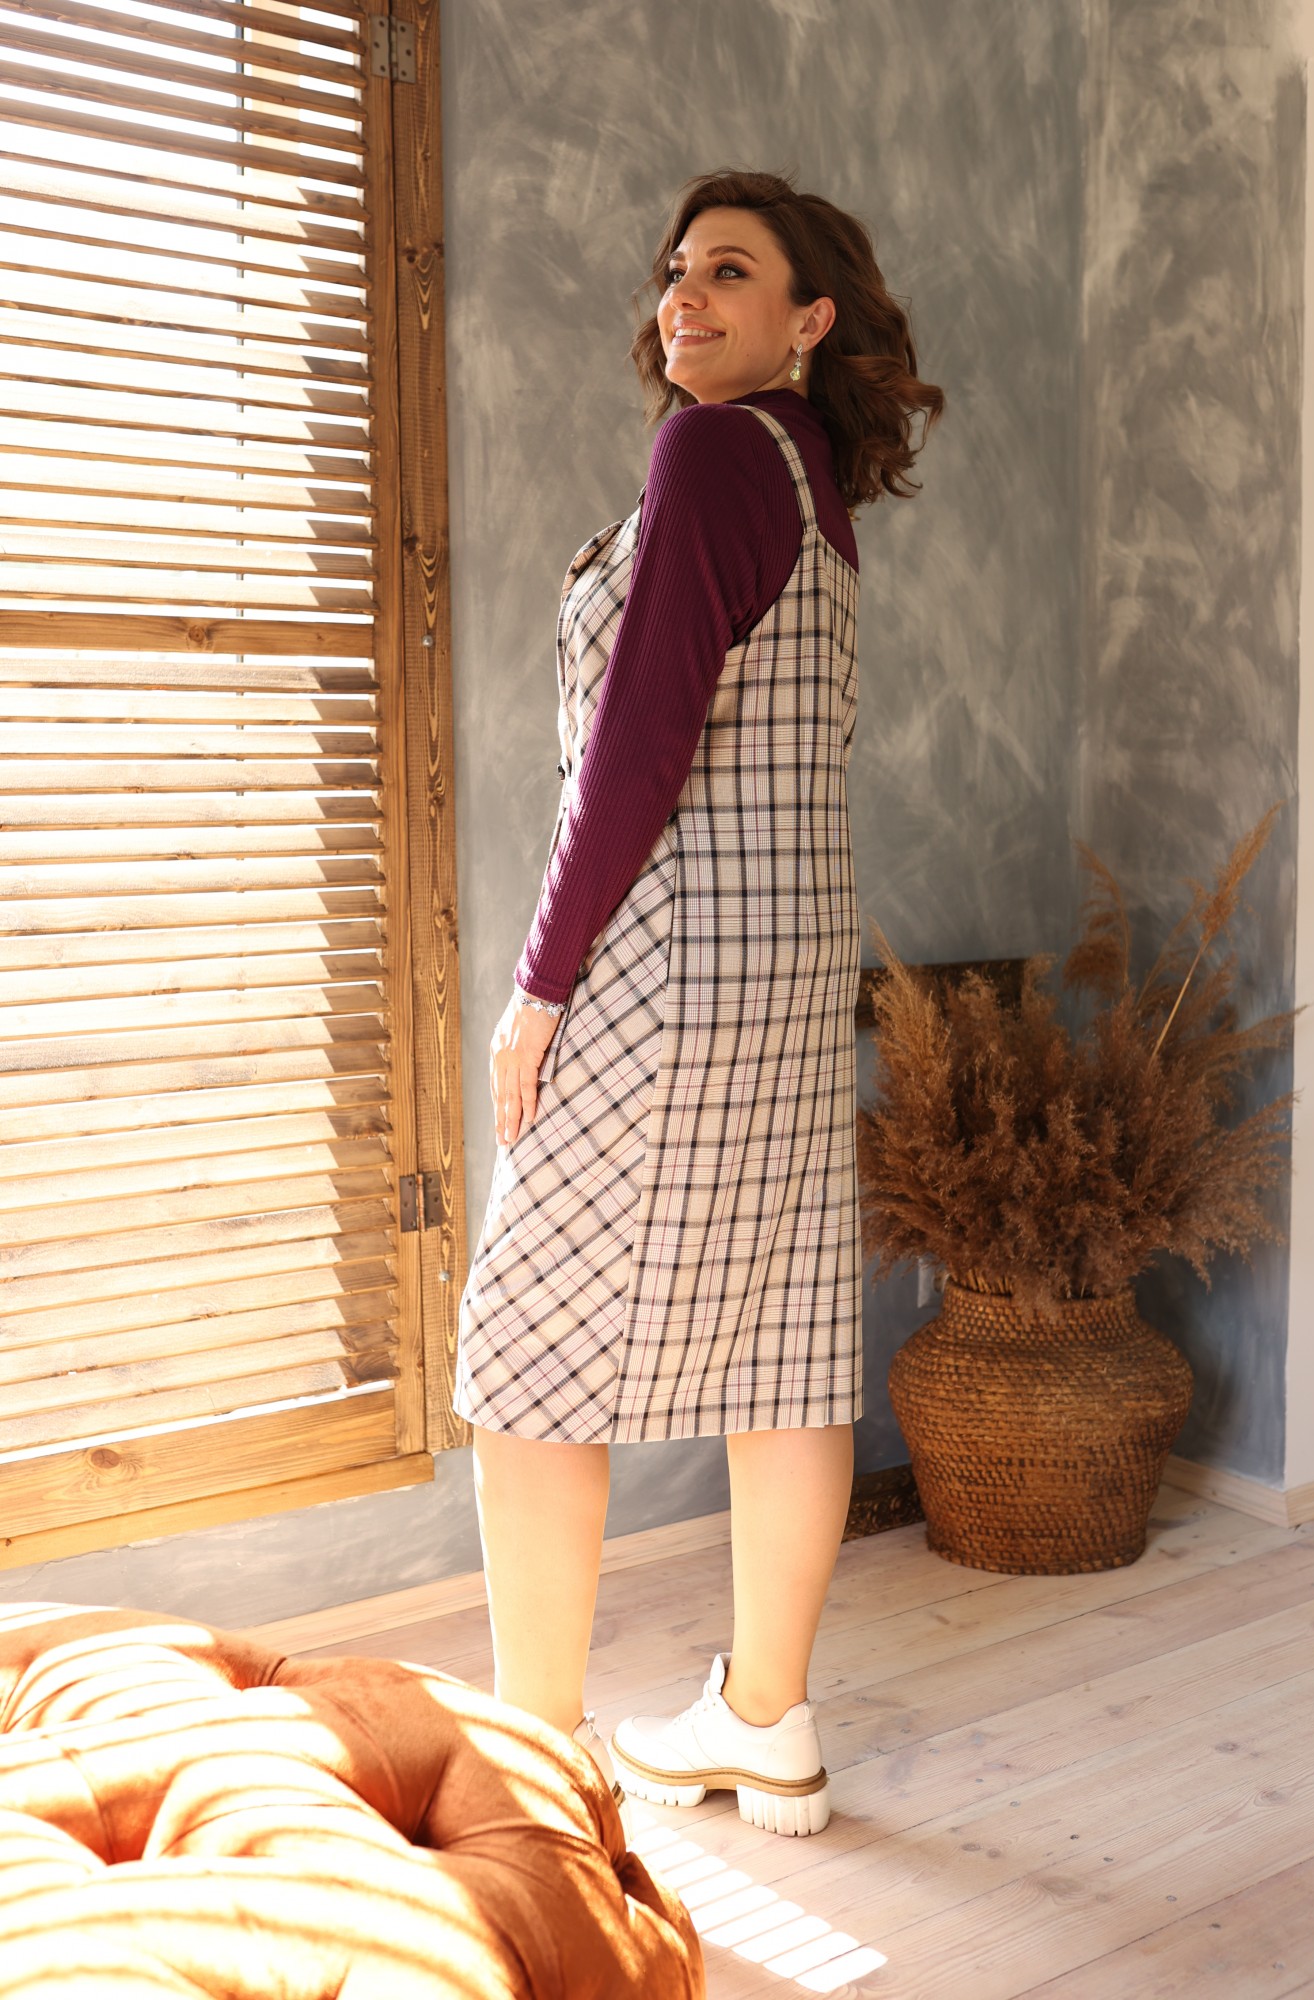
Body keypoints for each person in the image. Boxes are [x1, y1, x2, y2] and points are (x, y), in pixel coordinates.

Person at [454, 167, 944, 1837]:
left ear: (808, 319)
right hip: (792, 971)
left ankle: (536, 1768)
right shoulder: (812, 486)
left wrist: (540, 987)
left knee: (525, 1346)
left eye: (729, 270)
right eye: (674, 268)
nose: (684, 293)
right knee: (786, 1343)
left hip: (666, 967)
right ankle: (765, 1720)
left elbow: (637, 751)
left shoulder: (714, 455)